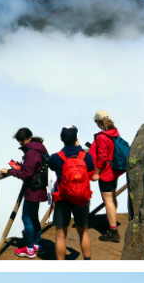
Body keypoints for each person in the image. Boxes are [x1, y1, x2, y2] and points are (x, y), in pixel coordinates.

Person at [49, 125, 96, 260]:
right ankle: (87, 261)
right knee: (83, 232)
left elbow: (52, 167)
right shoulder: (86, 156)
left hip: (63, 198)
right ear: (76, 138)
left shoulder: (55, 157)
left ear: (61, 139)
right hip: (82, 198)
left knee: (60, 235)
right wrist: (79, 148)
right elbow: (91, 168)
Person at [4, 128, 49, 258]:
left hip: (33, 189)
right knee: (34, 217)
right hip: (40, 187)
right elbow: (34, 168)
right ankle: (37, 246)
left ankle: (29, 249)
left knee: (27, 218)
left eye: (21, 140)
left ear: (27, 138)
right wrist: (20, 166)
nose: (21, 143)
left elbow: (27, 175)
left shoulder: (31, 152)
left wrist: (9, 171)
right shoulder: (40, 148)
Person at [90, 111, 125, 243]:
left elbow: (103, 157)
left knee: (108, 200)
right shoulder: (115, 132)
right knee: (112, 196)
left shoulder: (102, 137)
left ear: (98, 122)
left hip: (106, 173)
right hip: (115, 170)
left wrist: (97, 173)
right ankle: (111, 221)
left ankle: (113, 230)